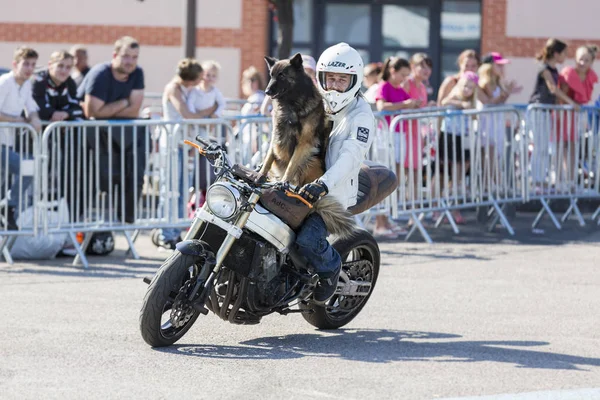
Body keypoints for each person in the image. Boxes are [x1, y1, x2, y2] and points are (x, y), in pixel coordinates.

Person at [295, 42, 374, 303]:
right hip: (300, 185)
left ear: (354, 80)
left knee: (307, 240)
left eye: (342, 80)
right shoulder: (312, 103)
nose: (335, 86)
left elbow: (350, 157)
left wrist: (324, 184)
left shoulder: (361, 115)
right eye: (330, 79)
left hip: (333, 195)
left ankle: (330, 270)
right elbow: (286, 139)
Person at [77, 36, 146, 223]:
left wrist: (108, 109)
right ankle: (79, 223)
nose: (130, 61)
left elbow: (135, 110)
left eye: (134, 57)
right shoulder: (100, 74)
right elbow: (92, 112)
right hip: (85, 137)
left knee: (130, 177)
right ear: (115, 55)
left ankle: (125, 221)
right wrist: (124, 102)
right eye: (126, 56)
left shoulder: (137, 73)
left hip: (118, 135)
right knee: (90, 181)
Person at [158, 58, 218, 249]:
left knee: (183, 189)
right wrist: (211, 110)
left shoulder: (189, 90)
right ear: (191, 79)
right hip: (172, 145)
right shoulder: (174, 88)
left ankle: (175, 230)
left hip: (184, 144)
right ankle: (166, 232)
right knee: (170, 188)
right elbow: (186, 114)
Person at [374, 56, 420, 238]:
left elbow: (409, 104)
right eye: (402, 74)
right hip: (386, 135)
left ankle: (386, 220)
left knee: (394, 179)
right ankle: (379, 222)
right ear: (392, 71)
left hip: (399, 136)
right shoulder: (384, 86)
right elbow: (381, 106)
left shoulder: (400, 89)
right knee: (384, 178)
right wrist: (405, 105)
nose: (404, 79)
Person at [0, 46, 41, 229]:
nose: (29, 68)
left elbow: (31, 106)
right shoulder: (4, 82)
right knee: (27, 166)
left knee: (26, 168)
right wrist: (15, 120)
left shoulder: (26, 85)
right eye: (26, 64)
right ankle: (9, 206)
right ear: (15, 64)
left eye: (33, 65)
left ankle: (8, 206)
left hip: (7, 143)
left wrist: (34, 118)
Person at [438, 71, 479, 224]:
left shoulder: (472, 101)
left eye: (471, 87)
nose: (467, 89)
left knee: (461, 174)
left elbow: (474, 114)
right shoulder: (454, 96)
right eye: (465, 86)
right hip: (450, 136)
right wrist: (462, 104)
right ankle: (449, 206)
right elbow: (444, 102)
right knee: (452, 173)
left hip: (464, 137)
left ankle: (454, 204)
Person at [32, 50, 83, 121]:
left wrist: (67, 114)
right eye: (60, 66)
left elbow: (78, 109)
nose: (64, 71)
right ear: (50, 65)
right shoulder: (39, 81)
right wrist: (53, 113)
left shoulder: (70, 82)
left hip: (56, 130)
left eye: (68, 67)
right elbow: (37, 108)